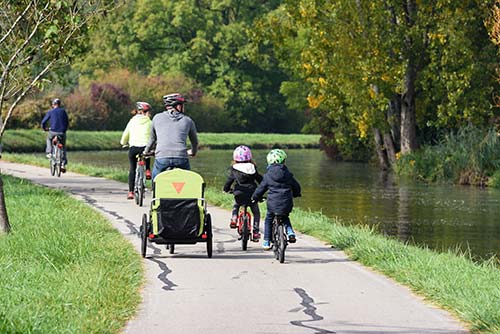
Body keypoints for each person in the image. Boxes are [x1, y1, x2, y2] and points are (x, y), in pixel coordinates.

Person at [251, 149, 301, 250]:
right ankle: (290, 232)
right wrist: (296, 193)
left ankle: (266, 241)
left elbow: (261, 188)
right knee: (285, 217)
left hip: (272, 204)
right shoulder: (288, 174)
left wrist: (255, 198)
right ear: (284, 161)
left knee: (269, 219)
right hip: (286, 202)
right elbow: (296, 186)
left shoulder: (268, 175)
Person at [144, 93, 198, 179]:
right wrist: (193, 152)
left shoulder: (157, 118)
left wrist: (146, 151)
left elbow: (152, 139)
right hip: (181, 157)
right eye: (182, 105)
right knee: (187, 180)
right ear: (178, 106)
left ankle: (155, 190)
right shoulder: (188, 120)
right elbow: (194, 141)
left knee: (156, 179)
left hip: (162, 156)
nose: (183, 107)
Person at [223, 145, 263, 241]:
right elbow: (260, 180)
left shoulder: (234, 168)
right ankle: (256, 232)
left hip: (239, 193)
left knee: (236, 205)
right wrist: (263, 189)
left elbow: (229, 181)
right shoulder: (252, 167)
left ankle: (234, 218)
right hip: (252, 194)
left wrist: (226, 189)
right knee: (256, 213)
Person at [120, 101, 153, 200]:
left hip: (133, 148)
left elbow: (125, 134)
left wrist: (123, 143)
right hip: (145, 148)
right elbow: (153, 136)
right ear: (146, 112)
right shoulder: (150, 122)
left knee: (132, 169)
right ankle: (147, 170)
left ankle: (130, 192)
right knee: (147, 151)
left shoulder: (132, 121)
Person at [41, 98, 69, 172]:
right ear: (59, 104)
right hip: (62, 132)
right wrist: (64, 130)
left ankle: (49, 152)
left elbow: (43, 122)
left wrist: (44, 129)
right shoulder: (63, 112)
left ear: (53, 105)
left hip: (52, 131)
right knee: (63, 146)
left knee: (49, 139)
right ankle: (63, 163)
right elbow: (67, 122)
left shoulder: (50, 112)